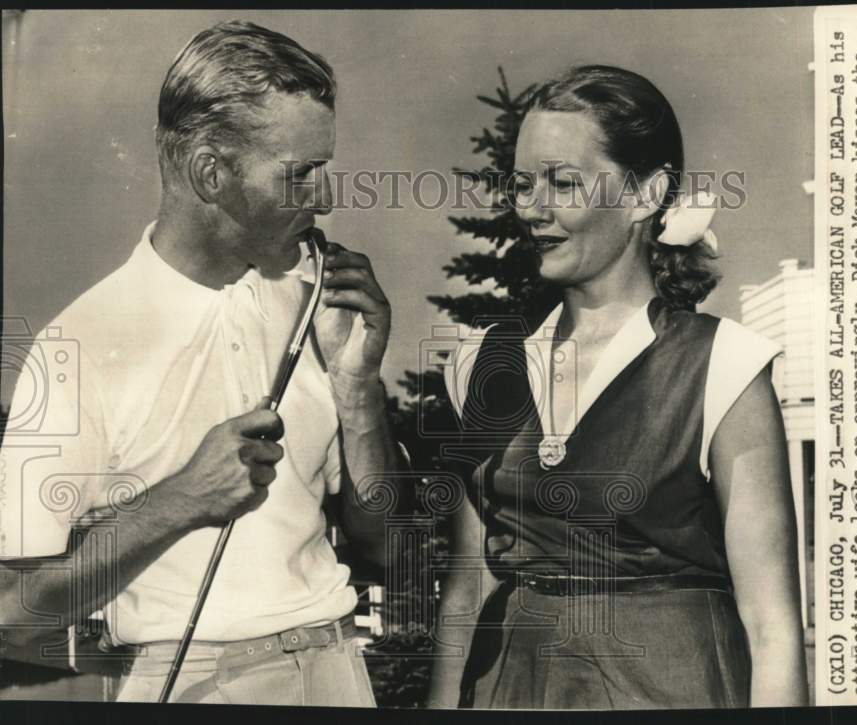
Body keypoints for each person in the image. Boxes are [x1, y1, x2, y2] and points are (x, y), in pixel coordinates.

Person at [0, 20, 407, 706]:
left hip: (339, 668)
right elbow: (14, 611)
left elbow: (387, 549)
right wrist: (180, 501)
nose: (327, 198)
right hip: (192, 685)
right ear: (209, 172)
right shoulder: (80, 344)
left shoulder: (314, 308)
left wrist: (360, 390)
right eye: (299, 173)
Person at [427, 65, 808, 709]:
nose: (532, 209)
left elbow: (772, 625)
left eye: (563, 182)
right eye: (522, 184)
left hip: (674, 688)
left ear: (644, 195)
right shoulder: (479, 367)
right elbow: (466, 590)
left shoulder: (724, 366)